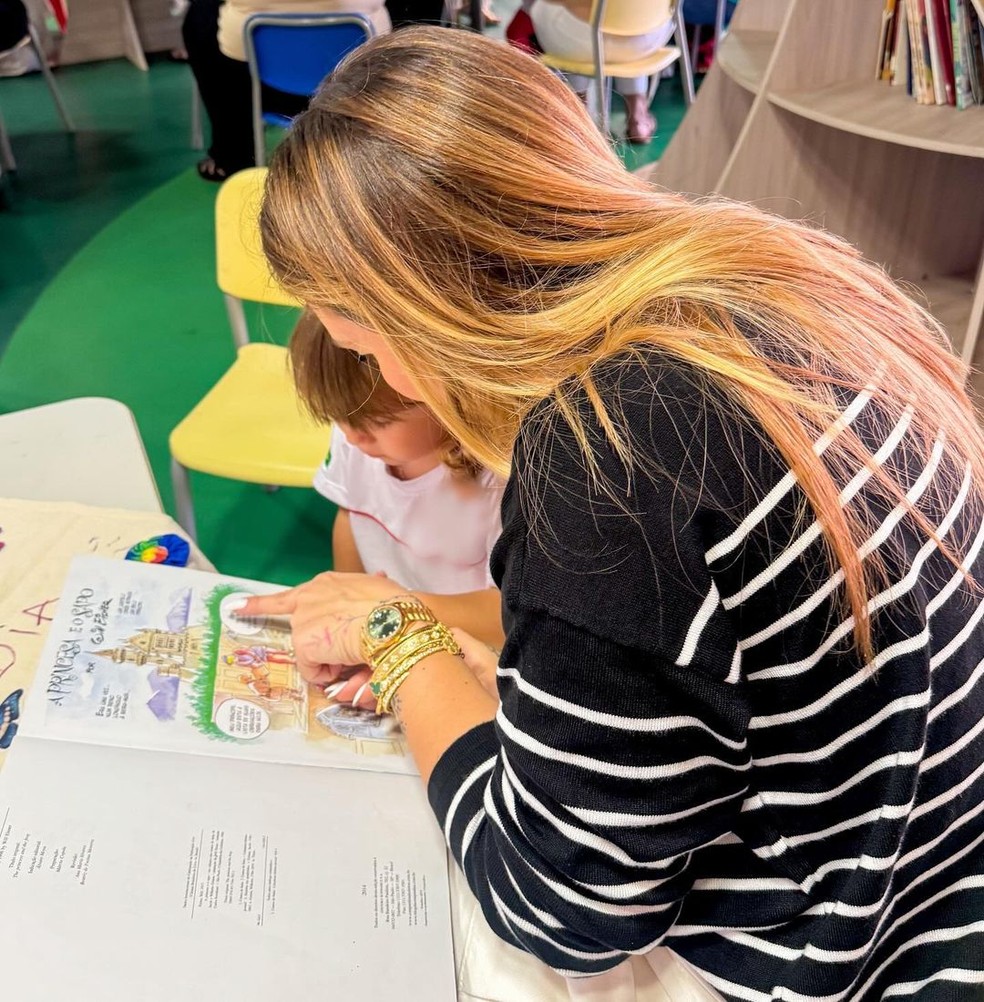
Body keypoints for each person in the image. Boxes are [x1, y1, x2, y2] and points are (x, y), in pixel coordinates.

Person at [241, 27, 984, 1001]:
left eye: (368, 349)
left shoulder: (609, 458)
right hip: (926, 872)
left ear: (421, 311)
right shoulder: (765, 280)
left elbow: (561, 913)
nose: (381, 378)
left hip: (843, 958)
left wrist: (400, 635)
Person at [292, 310, 504, 704]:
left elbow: (506, 616)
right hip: (389, 632)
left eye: (377, 421)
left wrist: (384, 611)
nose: (352, 437)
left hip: (476, 660)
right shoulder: (356, 443)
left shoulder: (498, 484)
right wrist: (350, 616)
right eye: (338, 419)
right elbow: (351, 515)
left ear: (446, 396)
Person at [183, 0, 390, 181]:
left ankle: (231, 156)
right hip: (354, 83)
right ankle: (387, 139)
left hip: (263, 88)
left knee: (202, 18)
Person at [530, 0, 674, 143]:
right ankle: (638, 117)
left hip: (578, 40)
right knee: (630, 15)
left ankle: (580, 113)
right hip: (647, 38)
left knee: (560, 12)